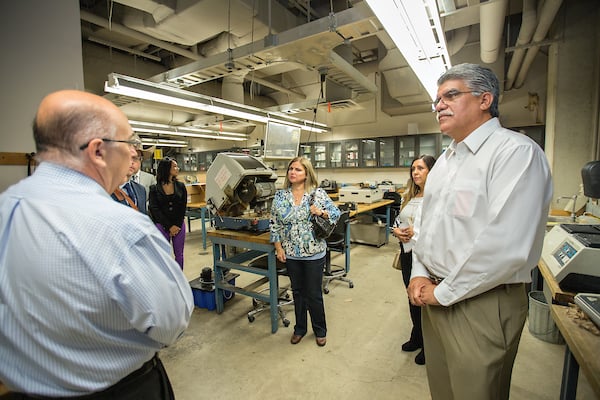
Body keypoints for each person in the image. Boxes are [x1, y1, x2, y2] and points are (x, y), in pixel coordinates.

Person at [0, 90, 194, 399]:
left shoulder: (7, 208)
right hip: (119, 390)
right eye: (128, 143)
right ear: (98, 151)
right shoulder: (120, 227)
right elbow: (171, 322)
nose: (133, 154)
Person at [408, 63, 553, 400]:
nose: (439, 105)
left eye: (451, 95)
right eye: (437, 99)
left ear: (485, 99)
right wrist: (419, 273)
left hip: (483, 301)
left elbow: (507, 246)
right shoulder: (445, 161)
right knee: (443, 390)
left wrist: (443, 293)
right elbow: (428, 227)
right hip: (435, 293)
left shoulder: (515, 153)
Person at [270, 157, 340, 347]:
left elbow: (335, 213)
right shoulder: (280, 196)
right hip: (291, 252)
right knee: (298, 292)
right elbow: (274, 223)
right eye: (291, 169)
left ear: (307, 174)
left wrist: (321, 213)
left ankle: (320, 329)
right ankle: (300, 328)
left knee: (313, 293)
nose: (293, 172)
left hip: (314, 252)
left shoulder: (317, 194)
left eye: (298, 170)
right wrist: (278, 248)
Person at [391, 154, 436, 366]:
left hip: (428, 257)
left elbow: (440, 229)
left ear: (432, 171)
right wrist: (397, 232)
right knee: (412, 297)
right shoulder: (409, 195)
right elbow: (396, 221)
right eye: (413, 169)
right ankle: (416, 335)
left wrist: (416, 232)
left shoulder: (438, 197)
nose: (415, 172)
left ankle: (430, 344)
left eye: (420, 168)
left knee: (425, 300)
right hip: (408, 255)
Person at [149, 157, 188, 269]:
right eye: (174, 166)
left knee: (179, 254)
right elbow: (154, 209)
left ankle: (179, 279)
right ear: (166, 169)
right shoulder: (154, 189)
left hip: (178, 224)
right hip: (162, 225)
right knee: (163, 254)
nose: (177, 168)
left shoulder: (180, 187)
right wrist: (169, 226)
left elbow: (182, 207)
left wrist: (176, 225)